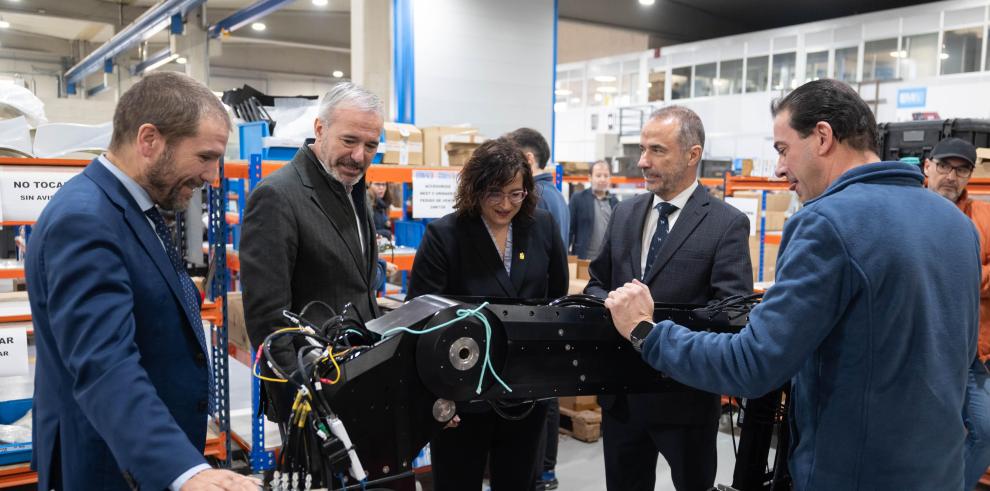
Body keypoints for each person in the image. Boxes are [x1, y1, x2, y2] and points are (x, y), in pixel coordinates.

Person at [605, 79, 980, 489]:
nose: (780, 168)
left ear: (822, 137)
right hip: (939, 473)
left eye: (783, 149)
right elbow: (961, 365)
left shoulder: (826, 223)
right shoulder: (957, 226)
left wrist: (646, 333)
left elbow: (752, 365)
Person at [26, 72, 257, 490]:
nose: (212, 175)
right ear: (149, 140)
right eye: (205, 156)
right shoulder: (85, 220)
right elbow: (105, 365)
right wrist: (184, 472)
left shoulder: (134, 208)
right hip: (107, 468)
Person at [584, 105, 752, 491]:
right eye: (643, 150)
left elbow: (732, 313)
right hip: (622, 397)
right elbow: (596, 283)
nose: (643, 161)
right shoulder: (626, 214)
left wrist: (649, 321)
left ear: (692, 155)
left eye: (657, 150)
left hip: (685, 399)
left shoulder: (726, 224)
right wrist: (614, 305)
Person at [407, 137, 569, 491]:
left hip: (524, 389)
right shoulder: (445, 235)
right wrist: (435, 396)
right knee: (457, 481)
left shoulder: (541, 227)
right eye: (495, 193)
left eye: (516, 193)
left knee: (518, 480)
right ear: (475, 188)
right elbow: (418, 318)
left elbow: (556, 301)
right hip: (461, 392)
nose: (506, 204)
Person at [241, 82, 383, 424]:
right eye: (349, 141)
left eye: (371, 145)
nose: (359, 156)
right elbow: (268, 317)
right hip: (313, 393)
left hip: (360, 376)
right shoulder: (277, 195)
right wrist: (301, 399)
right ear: (320, 128)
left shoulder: (354, 191)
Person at [923, 137, 990, 490]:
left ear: (969, 175)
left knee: (986, 429)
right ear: (927, 166)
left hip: (970, 353)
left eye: (961, 169)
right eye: (945, 166)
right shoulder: (908, 208)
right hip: (919, 348)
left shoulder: (983, 216)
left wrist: (958, 274)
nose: (951, 176)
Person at [506, 127, 568, 490]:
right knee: (548, 397)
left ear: (527, 162)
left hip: (534, 322)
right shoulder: (556, 196)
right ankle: (546, 467)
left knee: (541, 401)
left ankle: (542, 468)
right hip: (546, 321)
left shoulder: (539, 200)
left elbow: (548, 272)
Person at [508, 127, 568, 243]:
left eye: (513, 158)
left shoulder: (533, 194)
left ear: (529, 159)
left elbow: (525, 250)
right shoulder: (556, 194)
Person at [569, 160, 618, 260]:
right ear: (590, 177)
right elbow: (569, 230)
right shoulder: (578, 199)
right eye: (598, 175)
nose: (602, 179)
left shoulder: (615, 203)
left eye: (606, 176)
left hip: (607, 261)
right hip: (583, 259)